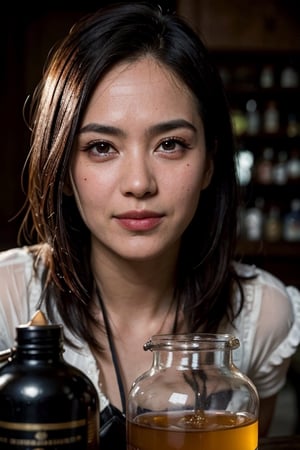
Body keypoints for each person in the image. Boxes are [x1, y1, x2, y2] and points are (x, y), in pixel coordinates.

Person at [0, 2, 299, 448]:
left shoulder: (263, 315)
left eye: (171, 144)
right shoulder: (7, 299)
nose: (139, 183)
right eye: (101, 147)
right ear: (61, 169)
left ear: (210, 163)